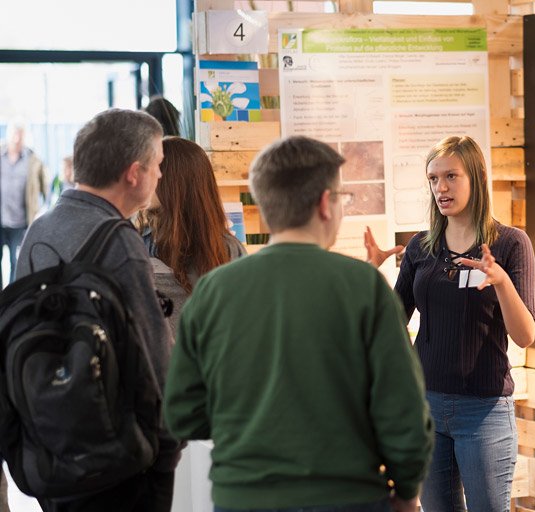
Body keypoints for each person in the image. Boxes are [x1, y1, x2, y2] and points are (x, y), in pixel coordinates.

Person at [163, 135, 433, 512]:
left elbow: (182, 413)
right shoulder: (363, 286)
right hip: (348, 497)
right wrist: (407, 493)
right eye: (342, 198)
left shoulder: (212, 291)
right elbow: (403, 411)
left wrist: (248, 425)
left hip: (243, 497)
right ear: (325, 204)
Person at [16, 108, 180, 511]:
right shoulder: (121, 244)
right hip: (116, 456)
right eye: (158, 164)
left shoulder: (41, 227)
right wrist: (168, 447)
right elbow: (153, 355)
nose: (161, 175)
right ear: (133, 173)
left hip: (50, 444)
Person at [364, 135, 535, 512]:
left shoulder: (509, 244)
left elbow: (525, 335)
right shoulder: (421, 248)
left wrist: (502, 281)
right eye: (433, 179)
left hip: (484, 412)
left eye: (451, 177)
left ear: (475, 177)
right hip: (425, 407)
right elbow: (391, 327)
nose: (441, 188)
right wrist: (370, 276)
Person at [140, 136, 246, 333]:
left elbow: (243, 324)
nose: (142, 179)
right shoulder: (140, 241)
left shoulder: (226, 249)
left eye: (151, 171)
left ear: (173, 181)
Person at [0, 122, 48, 285]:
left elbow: (45, 188)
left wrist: (40, 211)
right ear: (8, 136)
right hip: (1, 219)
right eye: (14, 134)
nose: (16, 139)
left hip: (20, 221)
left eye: (20, 135)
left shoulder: (33, 160)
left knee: (16, 261)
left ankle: (10, 299)